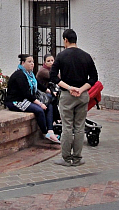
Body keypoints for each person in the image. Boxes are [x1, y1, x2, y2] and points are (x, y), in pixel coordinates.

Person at [50, 29, 98, 167]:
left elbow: (53, 76)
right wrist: (81, 89)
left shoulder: (61, 56)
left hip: (67, 95)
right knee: (79, 127)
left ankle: (66, 158)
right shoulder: (86, 56)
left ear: (65, 40)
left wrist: (70, 88)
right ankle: (77, 158)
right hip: (82, 95)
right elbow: (94, 77)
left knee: (67, 127)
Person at [5, 54, 60, 144]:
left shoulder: (30, 74)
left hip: (27, 99)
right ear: (23, 63)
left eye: (33, 62)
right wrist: (39, 103)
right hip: (16, 101)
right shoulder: (19, 75)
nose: (32, 64)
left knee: (49, 104)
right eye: (29, 62)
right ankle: (45, 133)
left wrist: (49, 91)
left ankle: (50, 130)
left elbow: (38, 85)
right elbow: (26, 94)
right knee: (39, 110)